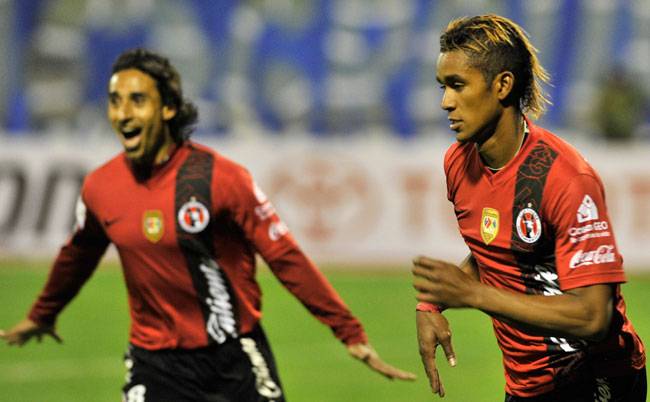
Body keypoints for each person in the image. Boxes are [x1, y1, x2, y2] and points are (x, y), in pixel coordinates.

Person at [0, 48, 415, 402]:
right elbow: (79, 253)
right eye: (114, 100)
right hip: (153, 362)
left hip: (233, 358)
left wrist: (347, 330)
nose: (122, 113)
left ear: (167, 107)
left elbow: (284, 256)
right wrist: (44, 313)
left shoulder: (221, 178)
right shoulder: (101, 187)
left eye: (137, 100)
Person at [412, 14, 646, 401]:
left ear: (502, 85)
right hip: (526, 385)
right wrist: (433, 303)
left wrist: (473, 295)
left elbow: (593, 316)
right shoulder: (458, 163)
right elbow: (497, 249)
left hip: (596, 378)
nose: (445, 102)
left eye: (457, 85)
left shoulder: (566, 179)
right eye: (443, 86)